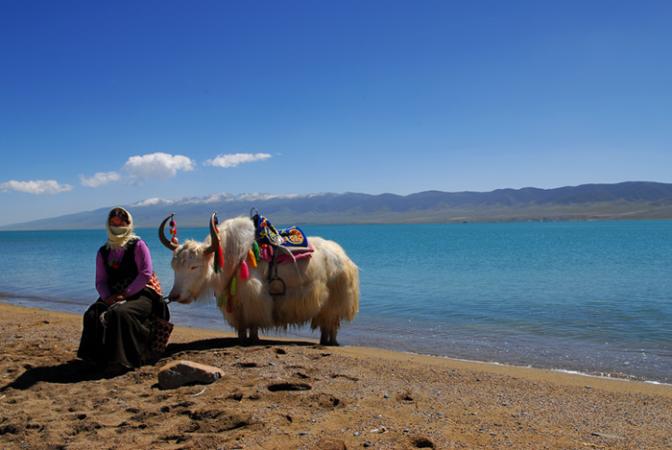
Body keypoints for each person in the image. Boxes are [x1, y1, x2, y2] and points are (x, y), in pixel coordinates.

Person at [77, 207, 168, 373]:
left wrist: (126, 294)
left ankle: (121, 361)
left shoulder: (138, 245)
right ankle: (94, 358)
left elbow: (145, 274)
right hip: (112, 294)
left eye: (121, 224)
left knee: (121, 314)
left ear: (129, 224)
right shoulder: (103, 252)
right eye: (113, 224)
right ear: (108, 225)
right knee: (93, 313)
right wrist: (107, 297)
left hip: (142, 294)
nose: (117, 228)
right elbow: (101, 281)